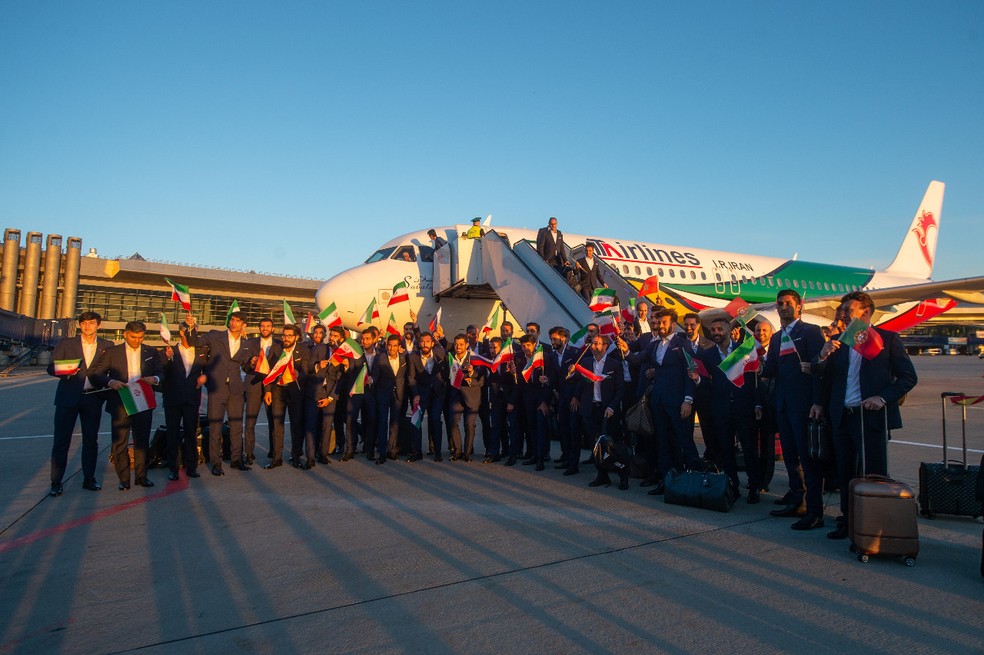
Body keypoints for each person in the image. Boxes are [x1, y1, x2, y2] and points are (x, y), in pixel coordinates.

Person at [815, 291, 917, 539]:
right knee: (845, 473)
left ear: (866, 313)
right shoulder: (838, 342)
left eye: (848, 311)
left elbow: (908, 378)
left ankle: (874, 522)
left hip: (870, 417)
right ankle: (848, 521)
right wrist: (822, 356)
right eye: (841, 311)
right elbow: (823, 378)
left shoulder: (887, 340)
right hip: (842, 416)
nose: (842, 315)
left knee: (874, 472)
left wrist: (882, 398)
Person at [762, 289, 826, 530]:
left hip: (804, 406)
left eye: (788, 303)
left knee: (808, 460)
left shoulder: (810, 332)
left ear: (799, 306)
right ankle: (797, 499)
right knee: (790, 457)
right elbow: (770, 370)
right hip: (783, 406)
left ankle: (814, 510)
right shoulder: (777, 338)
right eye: (780, 304)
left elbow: (819, 370)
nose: (783, 307)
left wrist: (817, 402)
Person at [622, 308, 699, 495]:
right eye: (659, 322)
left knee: (683, 441)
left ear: (673, 324)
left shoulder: (682, 345)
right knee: (662, 442)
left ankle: (694, 480)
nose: (661, 325)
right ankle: (667, 481)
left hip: (677, 403)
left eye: (664, 322)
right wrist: (625, 351)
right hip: (658, 401)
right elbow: (639, 359)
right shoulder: (655, 345)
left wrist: (688, 400)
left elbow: (690, 374)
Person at [88, 321, 164, 490]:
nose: (137, 340)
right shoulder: (112, 352)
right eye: (134, 337)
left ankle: (141, 476)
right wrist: (110, 381)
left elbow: (161, 372)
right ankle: (123, 479)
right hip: (120, 400)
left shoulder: (151, 352)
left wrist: (156, 379)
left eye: (140, 337)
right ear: (125, 334)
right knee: (120, 442)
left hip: (142, 400)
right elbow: (96, 373)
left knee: (142, 441)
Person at [47, 311, 114, 495]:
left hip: (93, 398)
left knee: (91, 441)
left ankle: (89, 478)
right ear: (80, 325)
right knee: (61, 441)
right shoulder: (67, 344)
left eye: (91, 323)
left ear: (98, 325)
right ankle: (56, 481)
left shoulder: (107, 346)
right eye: (83, 323)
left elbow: (110, 370)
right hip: (68, 397)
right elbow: (51, 367)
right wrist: (64, 371)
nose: (87, 326)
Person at [696, 317, 762, 503]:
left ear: (728, 330)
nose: (716, 332)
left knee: (749, 449)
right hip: (721, 408)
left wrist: (757, 403)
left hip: (744, 406)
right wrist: (698, 380)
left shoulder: (743, 350)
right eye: (713, 330)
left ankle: (754, 486)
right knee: (726, 450)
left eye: (719, 329)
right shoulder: (708, 355)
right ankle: (732, 485)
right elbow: (707, 383)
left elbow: (753, 380)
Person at [186, 310, 254, 475]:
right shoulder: (215, 336)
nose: (233, 323)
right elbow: (194, 341)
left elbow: (245, 366)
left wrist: (252, 363)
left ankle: (236, 459)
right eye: (232, 319)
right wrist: (190, 328)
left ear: (243, 324)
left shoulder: (247, 344)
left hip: (236, 390)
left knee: (236, 426)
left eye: (238, 321)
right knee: (215, 427)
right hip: (217, 388)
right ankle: (216, 462)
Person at [573, 335, 625, 487]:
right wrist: (576, 396)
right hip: (591, 409)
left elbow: (620, 389)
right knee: (595, 444)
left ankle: (623, 475)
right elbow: (581, 383)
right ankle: (602, 475)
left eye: (596, 344)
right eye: (592, 343)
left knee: (614, 444)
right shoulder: (586, 362)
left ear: (605, 346)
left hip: (608, 410)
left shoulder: (614, 364)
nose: (593, 346)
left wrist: (612, 407)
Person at [161, 321, 209, 481]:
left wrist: (205, 375)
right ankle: (173, 467)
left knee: (191, 433)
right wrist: (166, 359)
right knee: (172, 434)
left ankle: (191, 466)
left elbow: (209, 368)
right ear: (181, 332)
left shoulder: (202, 351)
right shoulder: (169, 350)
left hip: (192, 398)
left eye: (194, 329)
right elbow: (161, 372)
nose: (191, 332)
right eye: (188, 330)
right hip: (173, 398)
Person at [263, 324, 312, 469]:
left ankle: (296, 456)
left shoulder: (303, 350)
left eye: (289, 335)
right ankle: (276, 458)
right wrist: (268, 390)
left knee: (296, 425)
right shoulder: (276, 349)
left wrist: (299, 375)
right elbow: (269, 371)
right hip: (278, 390)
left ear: (296, 337)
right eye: (284, 335)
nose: (285, 338)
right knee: (276, 425)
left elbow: (305, 371)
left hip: (295, 391)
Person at [407, 331, 448, 462]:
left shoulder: (440, 353)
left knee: (435, 420)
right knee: (416, 422)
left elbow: (447, 371)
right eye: (422, 341)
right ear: (419, 343)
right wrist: (415, 394)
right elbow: (411, 377)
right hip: (421, 394)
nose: (425, 344)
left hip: (437, 394)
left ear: (432, 343)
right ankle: (417, 452)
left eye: (427, 341)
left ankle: (437, 452)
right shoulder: (413, 357)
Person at [244, 317, 280, 464]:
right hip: (253, 386)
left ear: (273, 329)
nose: (265, 328)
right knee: (250, 421)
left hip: (272, 387)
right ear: (259, 328)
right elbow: (244, 367)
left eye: (268, 326)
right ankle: (248, 453)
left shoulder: (279, 345)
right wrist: (251, 364)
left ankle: (273, 451)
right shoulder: (250, 343)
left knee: (273, 421)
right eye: (262, 326)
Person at [446, 333, 487, 461]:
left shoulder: (474, 358)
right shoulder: (450, 357)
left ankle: (467, 453)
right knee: (452, 423)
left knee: (469, 425)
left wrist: (472, 374)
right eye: (456, 344)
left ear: (467, 345)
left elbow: (481, 378)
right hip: (456, 396)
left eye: (461, 344)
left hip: (471, 397)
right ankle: (457, 451)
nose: (458, 346)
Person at [372, 334, 409, 463]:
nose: (392, 348)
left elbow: (407, 376)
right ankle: (382, 452)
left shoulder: (405, 358)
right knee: (382, 423)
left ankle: (391, 450)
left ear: (399, 346)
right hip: (383, 394)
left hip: (398, 395)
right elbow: (375, 377)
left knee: (395, 424)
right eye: (389, 345)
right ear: (386, 345)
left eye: (394, 346)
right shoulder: (380, 358)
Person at [752, 320, 777, 493]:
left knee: (768, 446)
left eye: (764, 330)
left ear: (771, 333)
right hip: (752, 404)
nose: (761, 333)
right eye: (758, 330)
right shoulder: (749, 351)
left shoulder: (775, 352)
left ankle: (764, 481)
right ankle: (755, 477)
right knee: (752, 444)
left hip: (770, 405)